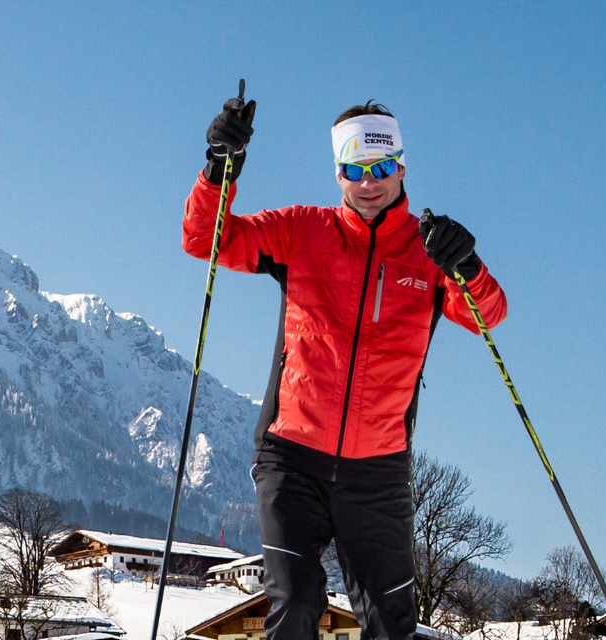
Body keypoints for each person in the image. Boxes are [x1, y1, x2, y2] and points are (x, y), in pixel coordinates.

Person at [183, 98, 507, 640]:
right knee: (298, 600)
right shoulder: (301, 231)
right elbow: (206, 239)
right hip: (292, 458)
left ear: (401, 166)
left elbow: (487, 314)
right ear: (339, 173)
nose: (369, 182)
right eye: (355, 171)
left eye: (381, 168)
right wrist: (219, 169)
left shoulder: (428, 254)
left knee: (392, 625)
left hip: (378, 474)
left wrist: (466, 265)